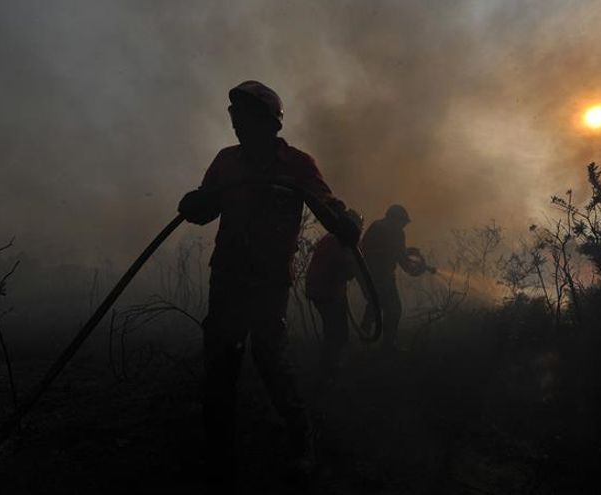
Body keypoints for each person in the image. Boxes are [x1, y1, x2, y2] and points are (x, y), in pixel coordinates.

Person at [177, 80, 360, 485]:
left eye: (242, 115)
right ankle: (220, 457)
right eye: (233, 115)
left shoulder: (297, 164)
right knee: (221, 366)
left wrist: (345, 223)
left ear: (268, 122)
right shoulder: (227, 162)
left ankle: (301, 443)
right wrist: (193, 203)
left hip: (268, 283)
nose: (235, 122)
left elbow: (326, 205)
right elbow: (205, 207)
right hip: (227, 277)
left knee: (270, 361)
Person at [359, 204, 432, 352]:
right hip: (383, 276)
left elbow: (388, 251)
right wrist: (416, 268)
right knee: (394, 309)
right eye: (403, 222)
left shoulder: (376, 226)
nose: (404, 226)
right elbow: (402, 260)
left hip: (368, 275)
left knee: (376, 305)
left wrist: (407, 253)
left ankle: (364, 335)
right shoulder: (395, 231)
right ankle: (387, 345)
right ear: (396, 219)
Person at [305, 209, 364, 390]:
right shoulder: (340, 242)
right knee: (337, 334)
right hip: (328, 293)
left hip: (321, 291)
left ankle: (330, 370)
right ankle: (327, 374)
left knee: (334, 332)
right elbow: (346, 272)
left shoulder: (331, 239)